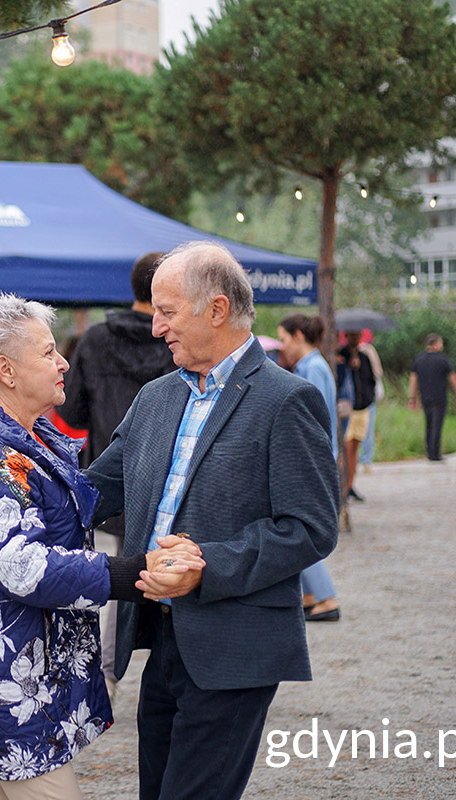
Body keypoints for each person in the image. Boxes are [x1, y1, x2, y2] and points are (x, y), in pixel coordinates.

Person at [0, 294, 204, 798]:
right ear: (6, 370)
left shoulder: (25, 436)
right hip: (3, 679)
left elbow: (71, 502)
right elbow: (25, 567)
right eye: (48, 352)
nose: (64, 361)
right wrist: (136, 571)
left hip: (18, 667)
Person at [85, 242, 339, 800]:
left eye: (167, 312)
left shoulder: (286, 399)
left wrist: (208, 565)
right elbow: (94, 491)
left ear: (217, 309)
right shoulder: (155, 397)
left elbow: (311, 526)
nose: (155, 328)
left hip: (235, 644)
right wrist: (3, 485)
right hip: (163, 635)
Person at [57, 250, 176, 678]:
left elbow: (70, 414)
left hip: (113, 468)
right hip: (171, 471)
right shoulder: (175, 338)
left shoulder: (95, 340)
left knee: (121, 564)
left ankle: (110, 669)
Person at [58, 251, 176, 465]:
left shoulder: (95, 340)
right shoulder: (176, 343)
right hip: (159, 473)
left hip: (103, 466)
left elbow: (70, 410)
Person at [277, 314, 342, 622]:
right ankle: (311, 594)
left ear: (299, 335)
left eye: (285, 339)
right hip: (317, 458)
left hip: (309, 460)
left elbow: (308, 420)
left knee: (298, 530)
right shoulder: (314, 366)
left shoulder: (311, 369)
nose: (283, 346)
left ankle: (326, 598)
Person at [410, 334, 456, 462]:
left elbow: (413, 379)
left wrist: (412, 397)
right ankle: (435, 454)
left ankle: (429, 452)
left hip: (425, 397)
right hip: (440, 398)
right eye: (441, 343)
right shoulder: (443, 360)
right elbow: (452, 377)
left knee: (428, 425)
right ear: (435, 344)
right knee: (437, 425)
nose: (442, 346)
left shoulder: (419, 359)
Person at [339, 331, 375, 502]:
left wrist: (368, 398)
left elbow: (371, 380)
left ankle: (351, 484)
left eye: (356, 336)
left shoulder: (364, 357)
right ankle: (344, 486)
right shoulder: (340, 356)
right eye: (351, 335)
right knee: (345, 449)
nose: (354, 339)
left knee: (355, 449)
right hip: (348, 409)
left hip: (363, 407)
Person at [357, 332, 384, 471]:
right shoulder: (369, 350)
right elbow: (378, 372)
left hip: (360, 399)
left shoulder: (362, 351)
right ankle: (366, 460)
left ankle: (361, 459)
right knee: (367, 430)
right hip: (368, 397)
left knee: (357, 432)